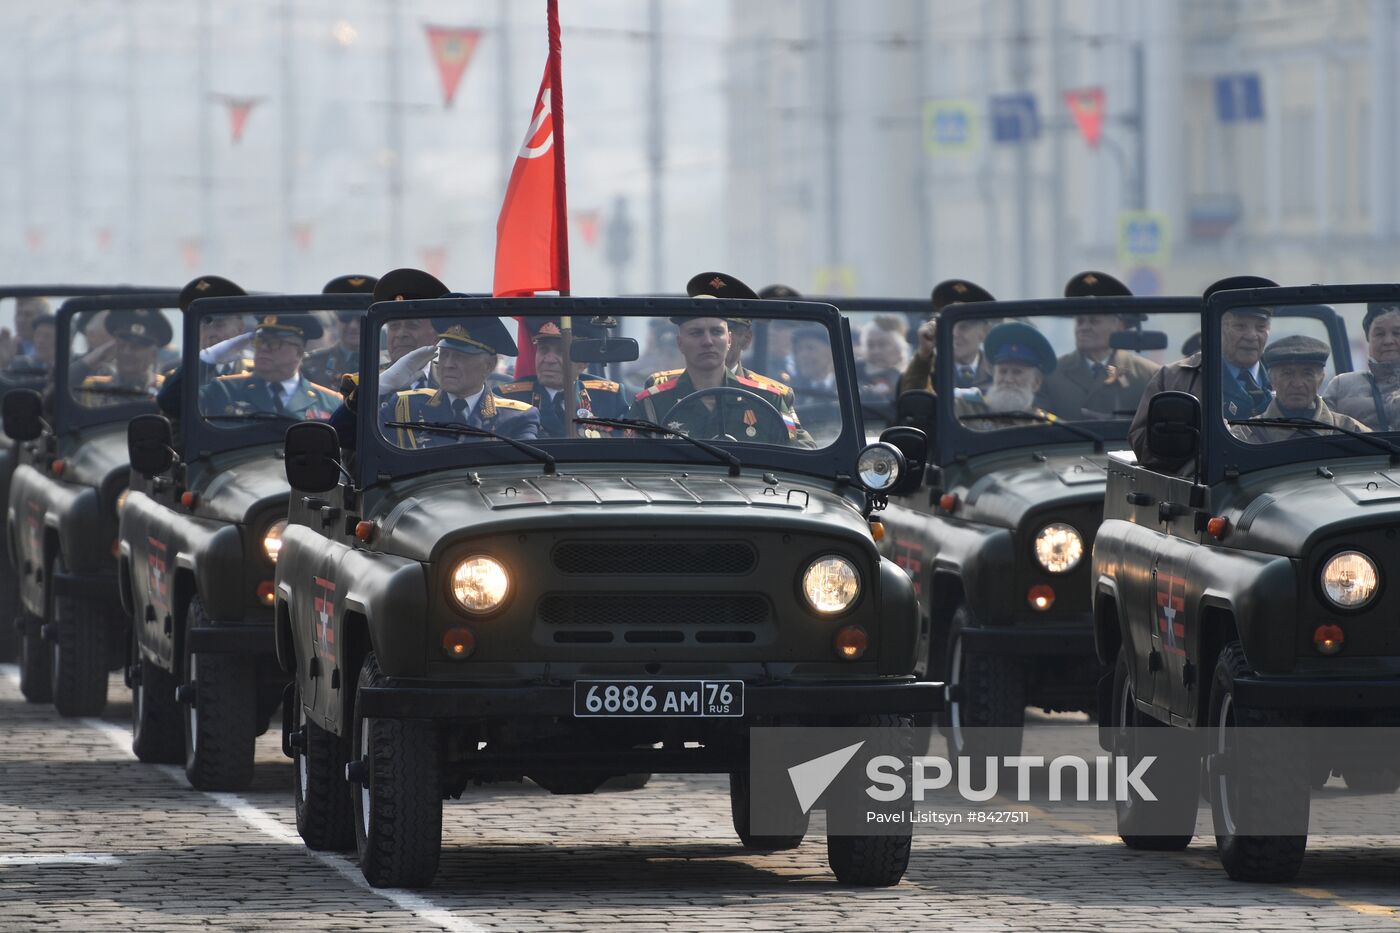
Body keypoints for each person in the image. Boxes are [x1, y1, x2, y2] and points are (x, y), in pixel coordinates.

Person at [1128, 275, 1279, 470]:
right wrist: (1187, 443)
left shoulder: (1287, 376)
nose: (1251, 336)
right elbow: (1141, 442)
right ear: (1216, 327)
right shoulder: (1176, 378)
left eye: (1261, 327)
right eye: (1240, 326)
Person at [626, 312, 806, 445]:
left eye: (716, 332)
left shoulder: (769, 400)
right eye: (696, 333)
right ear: (680, 343)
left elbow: (798, 454)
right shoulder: (652, 404)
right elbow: (634, 467)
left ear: (729, 340)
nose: (708, 342)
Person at [329, 268, 449, 449]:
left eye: (412, 325)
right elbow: (338, 435)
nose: (400, 334)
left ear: (437, 334)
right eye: (394, 326)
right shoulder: (363, 384)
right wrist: (376, 388)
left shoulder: (455, 378)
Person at [383, 316, 539, 448]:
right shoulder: (404, 406)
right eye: (444, 355)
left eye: (460, 356)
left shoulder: (516, 417)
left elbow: (523, 470)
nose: (449, 364)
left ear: (489, 365)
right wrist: (381, 386)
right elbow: (362, 441)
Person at [1039, 271, 1160, 420]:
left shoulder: (1148, 376)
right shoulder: (1051, 375)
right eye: (1080, 321)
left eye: (1094, 321)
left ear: (1119, 326)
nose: (1083, 327)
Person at [497, 318, 629, 437]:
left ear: (583, 362)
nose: (548, 359)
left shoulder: (608, 398)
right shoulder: (508, 399)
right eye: (543, 349)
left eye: (561, 351)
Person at [199, 314, 342, 421]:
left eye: (274, 343)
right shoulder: (223, 390)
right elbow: (178, 401)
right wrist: (206, 359)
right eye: (260, 341)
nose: (264, 348)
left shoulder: (330, 403)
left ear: (298, 352)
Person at [1233, 335, 1369, 443]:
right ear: (1272, 380)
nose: (1297, 384)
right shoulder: (1244, 437)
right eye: (1287, 373)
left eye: (1307, 374)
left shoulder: (1352, 432)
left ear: (1321, 379)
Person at [156, 275, 249, 417]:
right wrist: (203, 361)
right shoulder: (178, 374)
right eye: (203, 325)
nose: (210, 333)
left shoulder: (258, 372)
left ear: (240, 328)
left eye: (219, 325)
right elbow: (168, 403)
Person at [899, 278, 996, 394]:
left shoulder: (999, 369)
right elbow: (907, 398)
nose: (954, 333)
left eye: (964, 327)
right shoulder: (927, 367)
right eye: (949, 326)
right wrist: (924, 353)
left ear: (984, 332)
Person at [953, 322, 1056, 430]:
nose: (1008, 379)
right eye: (1003, 371)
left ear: (1036, 383)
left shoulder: (1047, 427)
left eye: (1017, 372)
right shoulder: (967, 408)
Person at [1320, 301, 1400, 431]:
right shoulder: (1341, 386)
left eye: (1397, 333)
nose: (1388, 341)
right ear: (1368, 338)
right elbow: (1322, 434)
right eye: (1379, 334)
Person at [74, 310, 172, 405]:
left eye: (135, 348)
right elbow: (61, 390)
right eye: (121, 346)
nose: (126, 352)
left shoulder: (165, 389)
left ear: (153, 355)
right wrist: (91, 359)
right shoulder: (94, 387)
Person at [301, 274, 378, 389]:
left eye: (361, 317)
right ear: (335, 318)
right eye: (345, 317)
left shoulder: (391, 365)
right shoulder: (311, 364)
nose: (353, 326)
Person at [856, 315, 909, 403]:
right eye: (870, 345)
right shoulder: (853, 372)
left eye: (882, 344)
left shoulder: (912, 374)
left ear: (900, 347)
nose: (876, 351)